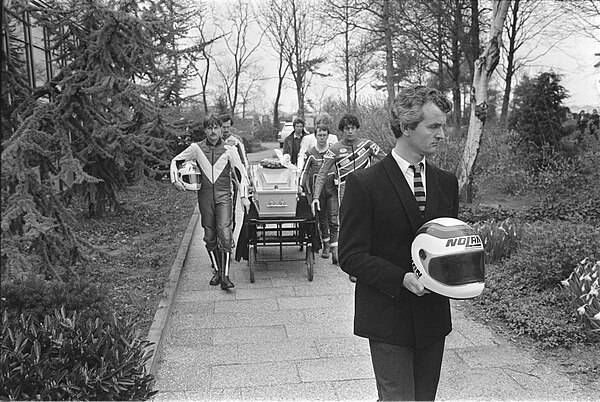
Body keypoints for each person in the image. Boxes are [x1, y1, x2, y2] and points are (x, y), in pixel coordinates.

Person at [338, 85, 456, 401]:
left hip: (432, 319)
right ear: (405, 127)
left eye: (443, 125)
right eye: (434, 126)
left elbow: (447, 247)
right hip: (387, 316)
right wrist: (401, 278)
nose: (442, 134)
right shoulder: (364, 184)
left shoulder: (447, 183)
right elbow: (350, 256)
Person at [170, 114, 250, 290]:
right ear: (205, 130)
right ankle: (217, 269)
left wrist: (244, 196)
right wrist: (175, 179)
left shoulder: (230, 149)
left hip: (224, 197)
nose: (213, 131)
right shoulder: (196, 148)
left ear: (221, 129)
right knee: (209, 235)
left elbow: (240, 173)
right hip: (205, 197)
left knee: (225, 233)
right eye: (209, 128)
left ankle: (226, 277)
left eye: (216, 127)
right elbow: (176, 161)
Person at [310, 113, 384, 269]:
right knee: (348, 226)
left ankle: (368, 258)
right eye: (346, 129)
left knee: (368, 224)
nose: (350, 131)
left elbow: (387, 162)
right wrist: (316, 196)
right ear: (342, 131)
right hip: (345, 190)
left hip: (367, 190)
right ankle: (350, 260)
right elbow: (322, 173)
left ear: (357, 129)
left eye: (353, 128)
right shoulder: (334, 149)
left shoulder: (368, 145)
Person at [300, 121, 339, 262]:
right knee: (322, 219)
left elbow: (341, 167)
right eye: (319, 135)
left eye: (324, 135)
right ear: (315, 136)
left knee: (333, 218)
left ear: (328, 136)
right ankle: (326, 245)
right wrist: (301, 186)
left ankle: (335, 249)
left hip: (332, 190)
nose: (322, 137)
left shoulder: (333, 151)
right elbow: (305, 172)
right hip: (318, 191)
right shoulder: (310, 153)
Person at [221, 113, 249, 229]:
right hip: (217, 178)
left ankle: (230, 231)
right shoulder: (215, 139)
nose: (226, 130)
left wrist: (246, 177)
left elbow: (243, 161)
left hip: (233, 177)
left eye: (228, 127)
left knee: (230, 205)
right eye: (223, 127)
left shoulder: (236, 140)